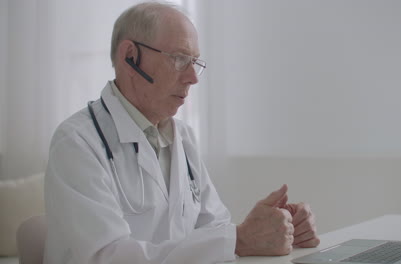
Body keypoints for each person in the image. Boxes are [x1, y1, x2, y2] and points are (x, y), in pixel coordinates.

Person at [43, 2, 320, 264]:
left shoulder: (183, 137)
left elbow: (215, 230)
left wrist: (279, 229)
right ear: (130, 57)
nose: (193, 77)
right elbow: (106, 257)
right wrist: (239, 240)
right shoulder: (77, 143)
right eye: (178, 59)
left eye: (195, 62)